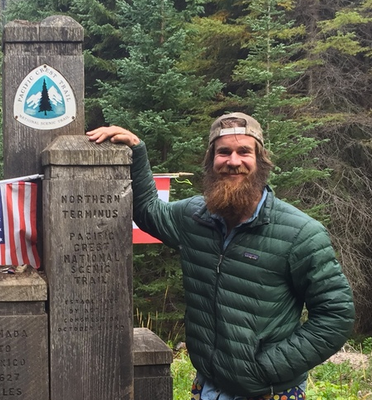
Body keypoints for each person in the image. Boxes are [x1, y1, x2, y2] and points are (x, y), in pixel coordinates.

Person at [87, 112, 355, 400]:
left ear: (260, 159)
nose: (233, 161)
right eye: (223, 152)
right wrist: (137, 150)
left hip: (269, 391)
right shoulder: (194, 216)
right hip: (209, 384)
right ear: (211, 160)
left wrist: (266, 367)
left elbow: (336, 315)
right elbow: (150, 213)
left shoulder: (300, 233)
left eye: (244, 152)